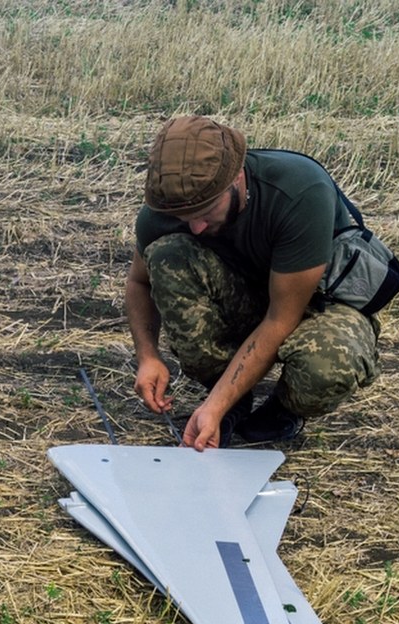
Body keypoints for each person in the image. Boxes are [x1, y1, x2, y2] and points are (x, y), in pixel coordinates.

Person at [125, 115, 382, 451]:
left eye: (206, 211)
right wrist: (148, 356)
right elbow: (138, 282)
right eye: (183, 219)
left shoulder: (299, 191)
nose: (196, 227)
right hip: (243, 298)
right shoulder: (166, 208)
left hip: (309, 304)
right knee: (169, 256)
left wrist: (215, 406)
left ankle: (284, 408)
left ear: (237, 176)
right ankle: (231, 393)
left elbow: (281, 319)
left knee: (331, 362)